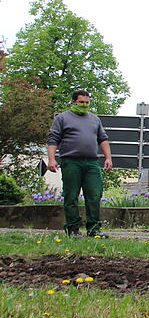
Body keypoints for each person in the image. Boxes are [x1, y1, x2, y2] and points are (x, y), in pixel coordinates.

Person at [47, 90, 112, 237]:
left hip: (92, 162)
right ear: (73, 101)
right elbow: (53, 139)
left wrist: (108, 157)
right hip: (71, 161)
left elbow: (103, 139)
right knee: (71, 195)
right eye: (81, 102)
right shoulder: (62, 118)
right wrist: (52, 159)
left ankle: (94, 229)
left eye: (87, 103)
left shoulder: (94, 119)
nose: (84, 105)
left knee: (94, 195)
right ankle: (72, 228)